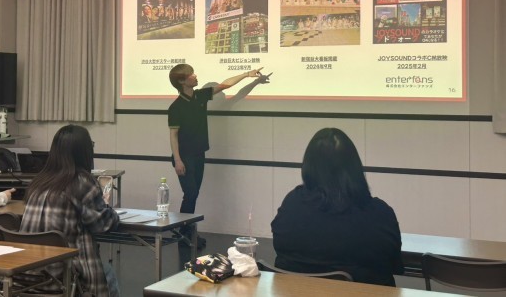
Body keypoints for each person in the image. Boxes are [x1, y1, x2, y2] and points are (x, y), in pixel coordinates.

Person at [271, 128, 403, 286]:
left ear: (309, 166)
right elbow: (395, 265)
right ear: (355, 167)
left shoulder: (291, 206)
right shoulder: (380, 215)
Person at [168, 64, 266, 247]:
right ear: (182, 81)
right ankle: (185, 233)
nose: (195, 76)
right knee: (190, 194)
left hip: (198, 154)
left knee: (193, 194)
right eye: (191, 75)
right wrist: (178, 160)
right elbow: (173, 135)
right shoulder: (176, 107)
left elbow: (225, 85)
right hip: (184, 157)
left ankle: (186, 232)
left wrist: (248, 75)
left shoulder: (200, 96)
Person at [20, 125, 121, 297]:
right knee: (108, 272)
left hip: (27, 276)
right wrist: (106, 206)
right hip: (64, 278)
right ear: (84, 152)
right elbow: (103, 225)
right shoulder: (81, 181)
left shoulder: (38, 182)